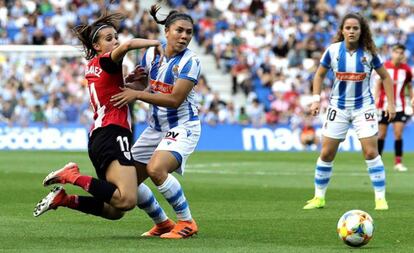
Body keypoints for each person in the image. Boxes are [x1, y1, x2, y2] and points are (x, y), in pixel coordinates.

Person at [33, 12, 171, 228]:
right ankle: (72, 176)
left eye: (115, 37)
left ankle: (65, 199)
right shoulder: (107, 61)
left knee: (114, 210)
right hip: (113, 133)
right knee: (127, 199)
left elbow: (121, 92)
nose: (115, 41)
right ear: (97, 46)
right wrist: (156, 42)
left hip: (100, 137)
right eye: (109, 39)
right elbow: (127, 46)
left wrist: (139, 83)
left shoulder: (94, 67)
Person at [110, 4, 200, 239]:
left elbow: (174, 100)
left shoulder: (190, 62)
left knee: (156, 169)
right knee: (128, 182)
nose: (184, 36)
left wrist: (137, 94)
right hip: (155, 128)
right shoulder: (151, 53)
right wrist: (134, 84)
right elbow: (144, 85)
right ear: (167, 31)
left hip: (182, 127)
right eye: (180, 30)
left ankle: (187, 222)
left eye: (189, 32)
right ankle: (162, 223)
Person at [303, 13, 396, 211]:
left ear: (361, 31)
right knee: (327, 153)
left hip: (364, 108)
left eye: (355, 28)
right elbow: (319, 76)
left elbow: (386, 78)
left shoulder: (369, 53)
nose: (352, 31)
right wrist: (315, 99)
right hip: (338, 108)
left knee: (371, 152)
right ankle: (319, 197)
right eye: (348, 28)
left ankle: (380, 199)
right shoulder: (333, 51)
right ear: (342, 31)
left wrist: (391, 104)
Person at [375, 44, 413, 172]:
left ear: (403, 55)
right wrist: (375, 99)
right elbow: (378, 83)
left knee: (398, 134)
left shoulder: (407, 70)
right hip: (383, 105)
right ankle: (377, 162)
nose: (399, 55)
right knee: (382, 134)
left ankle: (398, 162)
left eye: (401, 52)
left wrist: (412, 98)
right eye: (396, 52)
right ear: (392, 53)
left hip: (399, 106)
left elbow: (409, 86)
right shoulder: (384, 66)